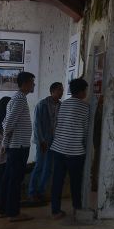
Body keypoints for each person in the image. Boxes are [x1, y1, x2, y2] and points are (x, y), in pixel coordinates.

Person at [50, 78, 91, 219]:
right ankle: (77, 208)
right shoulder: (85, 107)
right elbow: (86, 131)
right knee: (75, 182)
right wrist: (85, 147)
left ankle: (55, 210)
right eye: (85, 90)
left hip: (58, 148)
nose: (86, 92)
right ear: (80, 91)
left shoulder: (63, 104)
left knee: (57, 181)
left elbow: (57, 124)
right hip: (75, 151)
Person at [0, 71, 35, 222]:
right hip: (19, 146)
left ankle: (4, 209)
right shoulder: (19, 99)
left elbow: (6, 122)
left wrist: (5, 143)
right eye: (32, 82)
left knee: (9, 178)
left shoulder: (17, 98)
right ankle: (13, 213)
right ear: (25, 83)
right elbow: (9, 123)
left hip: (16, 145)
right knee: (15, 179)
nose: (33, 85)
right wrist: (5, 142)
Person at [27, 82, 63, 202]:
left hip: (55, 140)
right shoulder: (42, 105)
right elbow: (37, 125)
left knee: (48, 168)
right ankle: (32, 192)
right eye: (59, 90)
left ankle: (41, 192)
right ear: (52, 91)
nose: (61, 92)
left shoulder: (61, 106)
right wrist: (41, 141)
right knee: (39, 166)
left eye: (62, 90)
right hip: (43, 140)